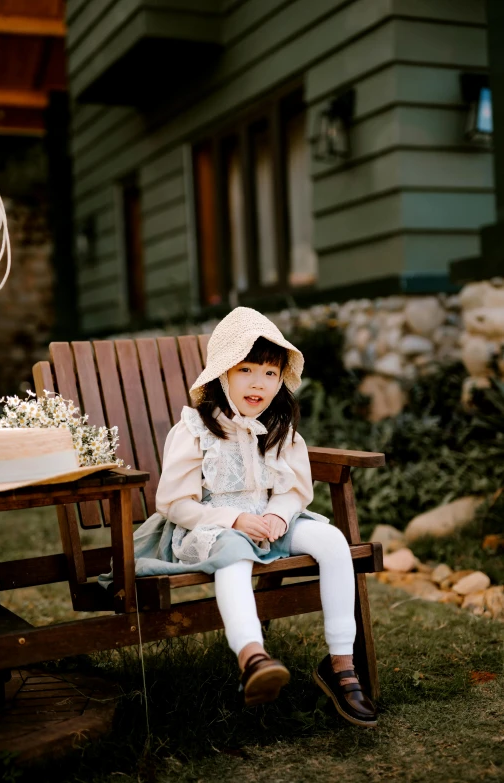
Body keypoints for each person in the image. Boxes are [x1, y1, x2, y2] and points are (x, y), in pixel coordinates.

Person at [103, 307, 377, 726]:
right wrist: (232, 520)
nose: (258, 383)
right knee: (235, 554)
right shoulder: (195, 429)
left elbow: (293, 492)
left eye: (270, 373)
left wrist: (280, 517)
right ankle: (253, 657)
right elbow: (175, 503)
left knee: (332, 542)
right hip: (213, 528)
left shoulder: (279, 428)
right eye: (246, 369)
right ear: (222, 375)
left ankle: (341, 665)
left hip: (270, 523)